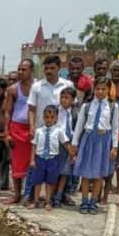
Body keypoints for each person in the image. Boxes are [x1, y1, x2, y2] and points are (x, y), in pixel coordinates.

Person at [27, 55, 74, 203]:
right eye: (46, 68)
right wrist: (32, 125)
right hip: (42, 132)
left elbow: (73, 107)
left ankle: (59, 196)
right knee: (36, 165)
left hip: (61, 134)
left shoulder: (67, 85)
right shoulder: (37, 86)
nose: (49, 71)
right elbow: (32, 108)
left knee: (61, 168)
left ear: (59, 68)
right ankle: (30, 196)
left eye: (52, 68)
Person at [72, 76, 119, 214]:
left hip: (103, 141)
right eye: (97, 88)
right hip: (88, 140)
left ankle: (94, 202)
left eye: (103, 89)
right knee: (86, 174)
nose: (100, 91)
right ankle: (84, 201)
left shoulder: (113, 107)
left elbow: (115, 128)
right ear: (93, 89)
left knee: (99, 174)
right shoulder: (86, 106)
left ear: (108, 90)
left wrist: (114, 147)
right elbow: (79, 126)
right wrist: (75, 144)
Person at [3, 59, 34, 204]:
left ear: (31, 70)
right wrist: (6, 132)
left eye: (24, 69)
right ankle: (17, 195)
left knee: (33, 163)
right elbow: (8, 112)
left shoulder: (38, 87)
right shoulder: (13, 89)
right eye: (19, 69)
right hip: (17, 128)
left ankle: (31, 194)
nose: (21, 72)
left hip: (33, 129)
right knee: (17, 163)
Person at [100, 60, 119, 204]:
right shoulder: (105, 84)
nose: (117, 72)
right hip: (105, 125)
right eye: (115, 70)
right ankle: (102, 189)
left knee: (118, 159)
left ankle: (118, 187)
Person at [29, 105, 67, 211]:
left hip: (52, 159)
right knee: (37, 181)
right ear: (43, 117)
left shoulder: (59, 131)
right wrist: (32, 159)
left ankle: (47, 201)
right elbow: (34, 145)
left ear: (56, 118)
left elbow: (65, 143)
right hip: (40, 159)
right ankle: (36, 201)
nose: (49, 120)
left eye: (52, 117)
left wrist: (73, 154)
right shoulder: (38, 131)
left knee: (50, 182)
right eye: (47, 117)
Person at [52, 87, 78, 207]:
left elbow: (76, 130)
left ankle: (58, 196)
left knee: (65, 172)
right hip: (58, 144)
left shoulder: (74, 114)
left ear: (73, 100)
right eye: (62, 97)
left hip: (70, 143)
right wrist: (66, 144)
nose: (63, 100)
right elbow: (55, 129)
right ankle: (51, 196)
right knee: (55, 172)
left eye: (67, 97)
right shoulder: (55, 111)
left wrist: (73, 147)